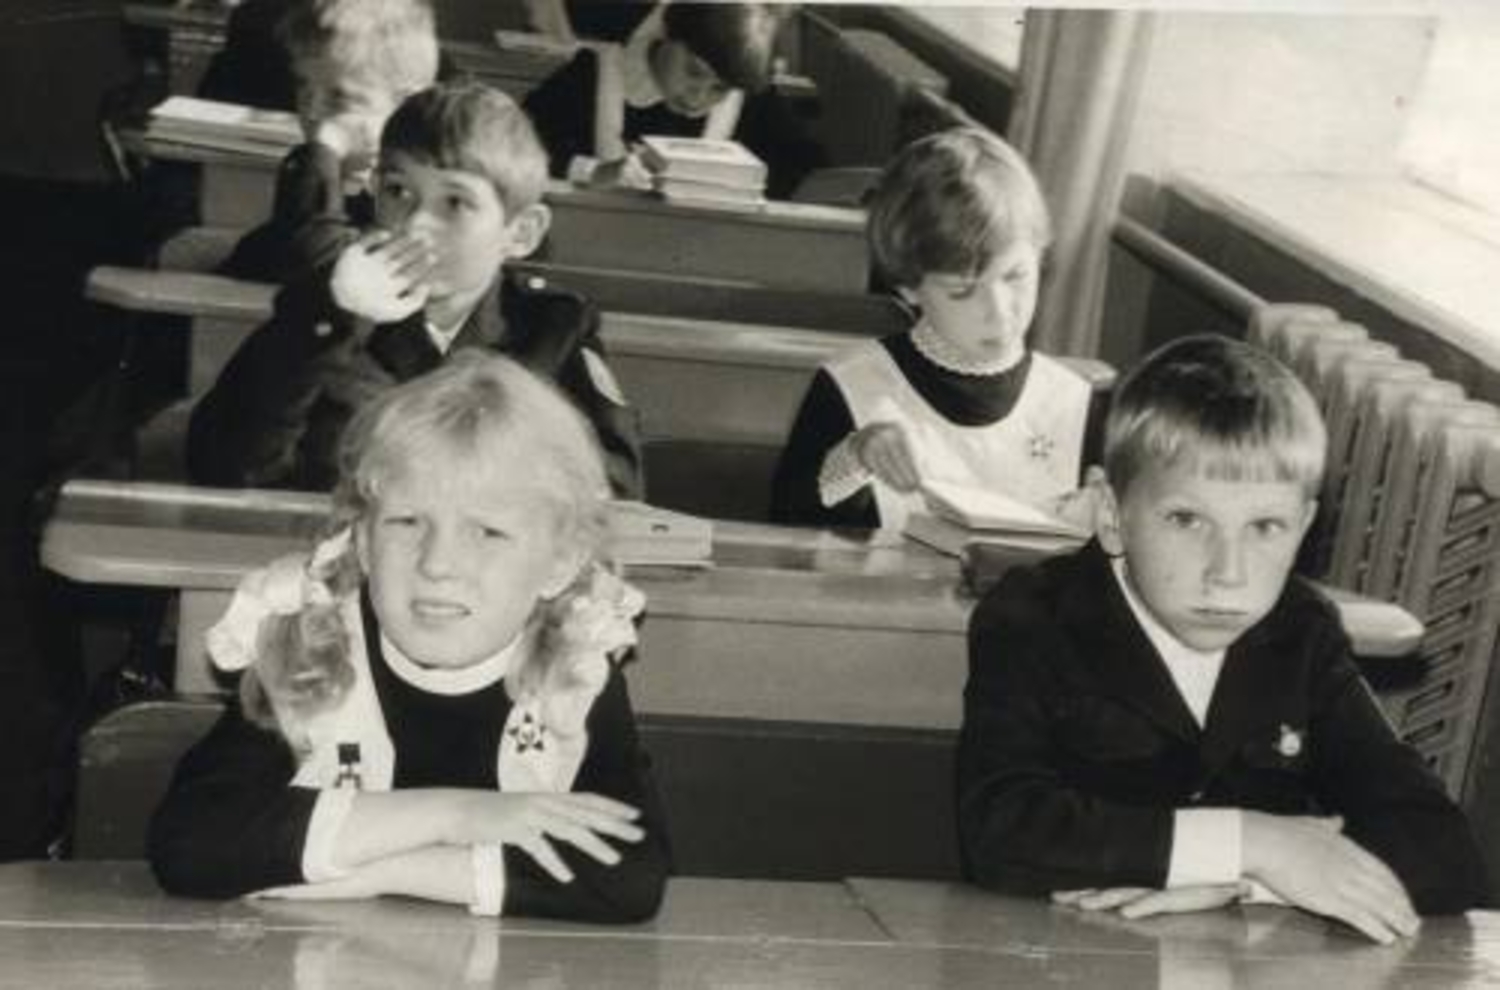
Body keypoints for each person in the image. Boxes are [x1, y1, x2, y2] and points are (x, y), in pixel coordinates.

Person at [957, 334, 1488, 942]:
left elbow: (1444, 850)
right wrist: (1253, 843)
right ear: (1111, 515)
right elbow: (1000, 830)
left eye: (1265, 527)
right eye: (1187, 520)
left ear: (1304, 527)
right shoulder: (1034, 618)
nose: (1228, 572)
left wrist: (1252, 879)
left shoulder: (1300, 633)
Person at [151, 353, 669, 921]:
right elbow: (192, 841)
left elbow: (629, 875)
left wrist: (385, 873)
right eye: (406, 522)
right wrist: (456, 816)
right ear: (363, 541)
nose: (438, 564)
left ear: (560, 563)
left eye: (488, 532)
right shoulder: (309, 646)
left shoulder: (572, 667)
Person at [187, 82, 644, 498]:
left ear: (521, 232)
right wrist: (332, 316)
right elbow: (222, 463)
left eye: (455, 202)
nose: (417, 223)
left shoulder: (553, 329)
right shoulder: (329, 312)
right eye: (398, 191)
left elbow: (618, 487)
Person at [770, 127, 1091, 531]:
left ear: (1040, 257)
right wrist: (854, 457)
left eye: (1015, 276)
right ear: (909, 287)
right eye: (962, 291)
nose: (998, 312)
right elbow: (788, 526)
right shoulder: (854, 386)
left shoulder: (1072, 403)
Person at [216, 0, 444, 281]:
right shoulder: (340, 176)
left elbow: (317, 265)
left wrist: (322, 151)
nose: (311, 111)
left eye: (339, 97)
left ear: (406, 105)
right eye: (303, 86)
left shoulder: (415, 198)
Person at [522, 2, 783, 188]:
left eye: (719, 89)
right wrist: (593, 172)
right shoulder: (594, 74)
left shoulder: (750, 99)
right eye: (694, 71)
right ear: (667, 35)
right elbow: (524, 152)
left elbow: (793, 172)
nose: (698, 96)